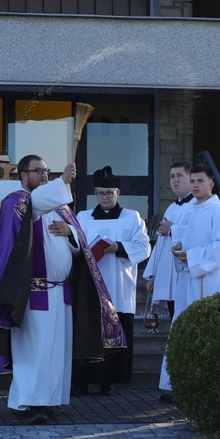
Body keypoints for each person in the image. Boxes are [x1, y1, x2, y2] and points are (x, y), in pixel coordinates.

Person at [0, 155, 124, 425]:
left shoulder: (62, 209)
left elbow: (79, 248)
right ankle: (34, 403)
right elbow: (34, 206)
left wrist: (71, 233)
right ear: (23, 175)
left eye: (46, 171)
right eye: (38, 171)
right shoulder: (16, 202)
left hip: (61, 292)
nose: (44, 175)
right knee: (34, 351)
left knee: (56, 353)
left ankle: (50, 400)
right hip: (32, 293)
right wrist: (62, 181)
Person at [72, 166, 150, 395]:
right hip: (90, 284)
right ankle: (81, 381)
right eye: (100, 193)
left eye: (109, 193)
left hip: (118, 283)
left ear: (118, 193)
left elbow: (144, 247)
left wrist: (118, 247)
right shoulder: (83, 217)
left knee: (114, 331)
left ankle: (108, 381)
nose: (104, 197)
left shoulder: (132, 217)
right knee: (86, 330)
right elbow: (74, 245)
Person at [170, 162, 220, 394]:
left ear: (211, 184)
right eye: (192, 181)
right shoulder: (193, 211)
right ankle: (181, 384)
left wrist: (192, 256)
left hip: (211, 278)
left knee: (207, 329)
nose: (195, 185)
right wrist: (181, 248)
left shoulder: (218, 212)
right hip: (189, 278)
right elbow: (191, 240)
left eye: (200, 181)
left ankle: (206, 386)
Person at [142, 160, 195, 402]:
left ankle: (181, 384)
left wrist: (173, 229)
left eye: (180, 176)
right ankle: (174, 382)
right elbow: (161, 245)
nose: (175, 180)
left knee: (182, 327)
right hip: (169, 275)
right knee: (174, 326)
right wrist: (153, 274)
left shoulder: (198, 207)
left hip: (185, 276)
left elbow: (196, 236)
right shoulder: (171, 208)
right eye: (172, 176)